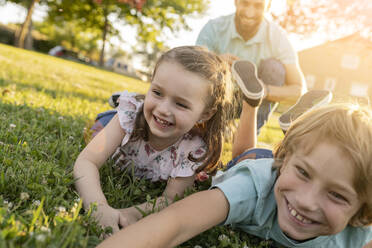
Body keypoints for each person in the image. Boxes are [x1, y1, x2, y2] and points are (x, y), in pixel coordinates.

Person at [97, 102, 372, 248]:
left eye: (336, 195)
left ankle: (296, 132)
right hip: (259, 164)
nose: (307, 202)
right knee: (245, 154)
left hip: (285, 161)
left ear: (362, 211)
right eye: (303, 173)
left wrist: (301, 169)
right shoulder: (252, 187)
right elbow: (175, 223)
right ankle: (254, 106)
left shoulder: (359, 234)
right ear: (286, 161)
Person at [73, 46, 255, 235]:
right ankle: (119, 103)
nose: (163, 109)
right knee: (97, 130)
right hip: (129, 120)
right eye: (158, 92)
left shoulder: (193, 151)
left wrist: (126, 215)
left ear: (205, 114)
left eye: (181, 104)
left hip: (152, 122)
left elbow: (169, 200)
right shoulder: (129, 116)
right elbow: (87, 161)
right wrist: (99, 208)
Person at [196, 0, 307, 158]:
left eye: (258, 5)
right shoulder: (214, 27)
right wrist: (216, 61)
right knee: (203, 63)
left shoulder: (277, 37)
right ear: (236, 2)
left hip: (253, 104)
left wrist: (264, 90)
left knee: (274, 67)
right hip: (219, 96)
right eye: (245, 3)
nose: (249, 12)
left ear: (268, 7)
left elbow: (298, 89)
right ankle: (212, 126)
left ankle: (247, 134)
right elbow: (191, 72)